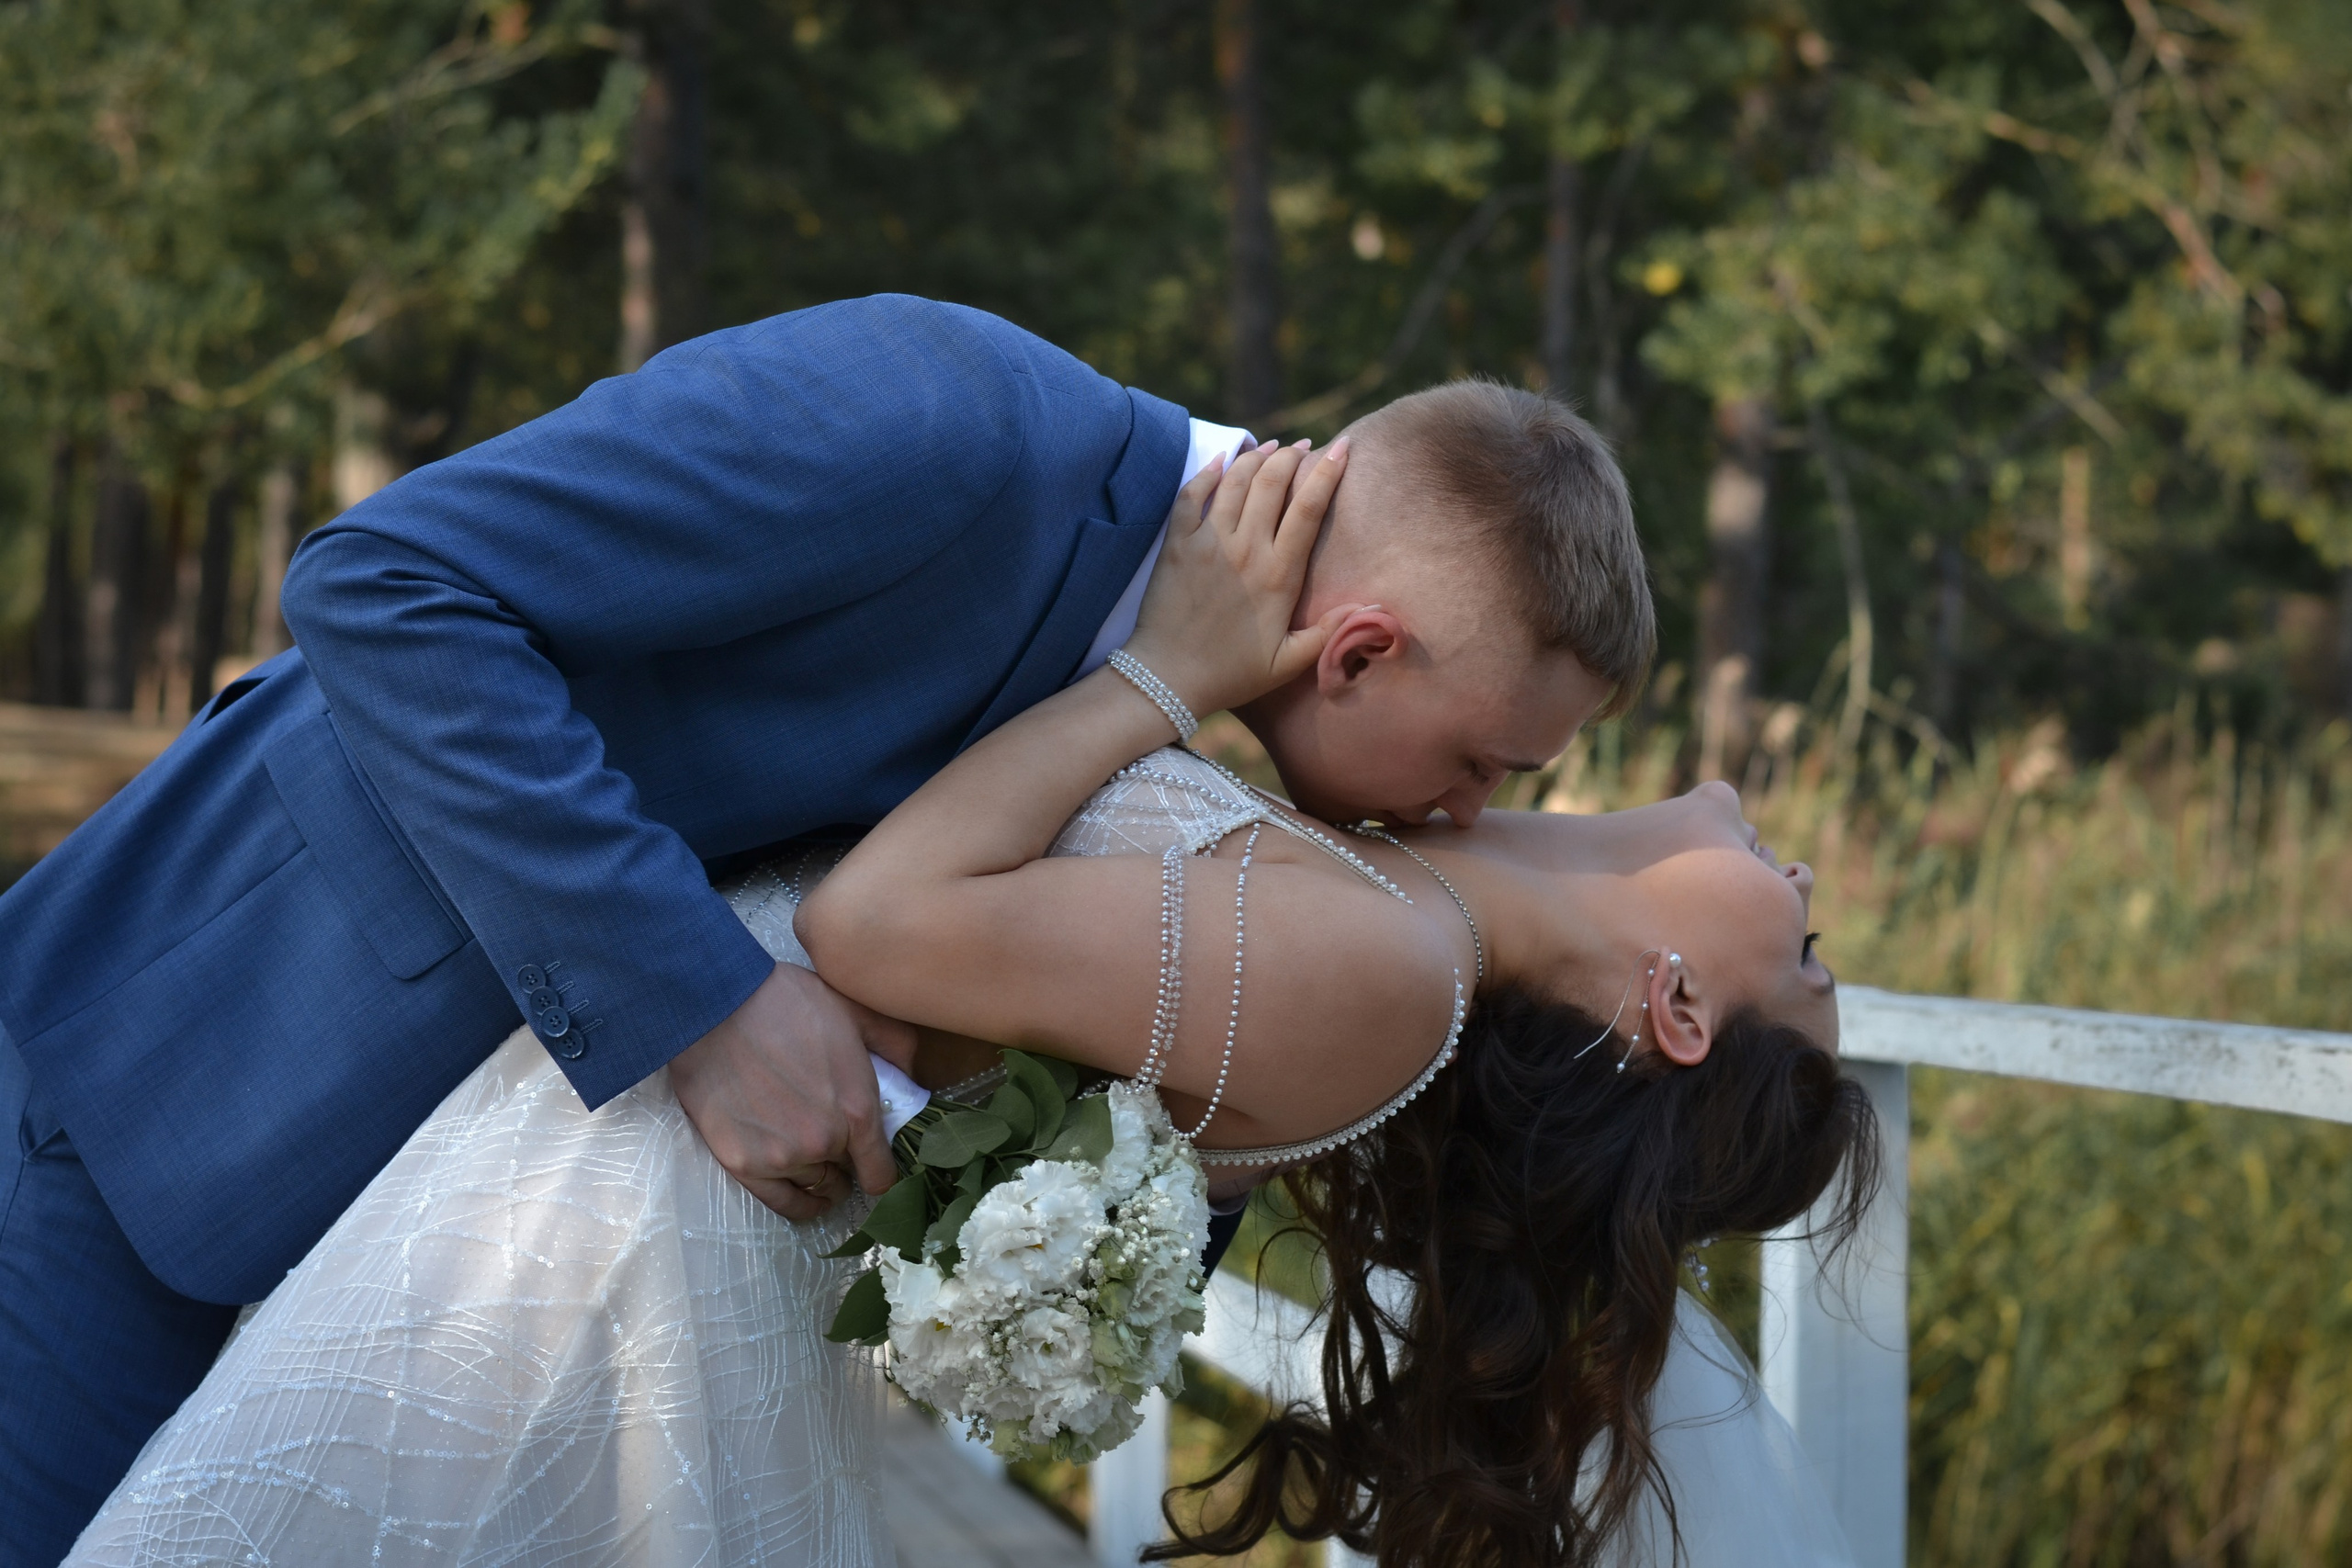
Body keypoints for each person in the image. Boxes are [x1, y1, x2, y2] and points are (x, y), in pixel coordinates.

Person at [0, 294, 1653, 1562]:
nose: (1462, 817)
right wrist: (704, 1007)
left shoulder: (1158, 710)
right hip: (156, 1089)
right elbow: (388, 584)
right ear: (1359, 653)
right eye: (1482, 766)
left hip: (438, 1300)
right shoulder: (940, 415)